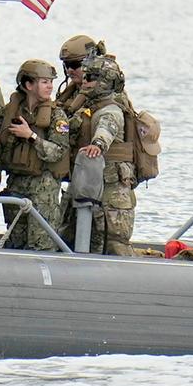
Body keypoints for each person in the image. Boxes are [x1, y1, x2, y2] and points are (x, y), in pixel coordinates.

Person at [0, 59, 71, 251]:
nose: (50, 86)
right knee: (15, 243)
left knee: (41, 244)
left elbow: (58, 152)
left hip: (42, 189)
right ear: (28, 85)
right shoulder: (11, 110)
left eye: (51, 82)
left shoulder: (56, 116)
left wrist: (31, 136)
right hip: (16, 183)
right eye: (44, 81)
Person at [66, 55, 137, 255]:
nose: (84, 82)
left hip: (112, 189)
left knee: (113, 241)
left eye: (90, 78)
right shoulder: (87, 107)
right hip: (91, 184)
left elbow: (107, 128)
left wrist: (98, 144)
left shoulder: (110, 110)